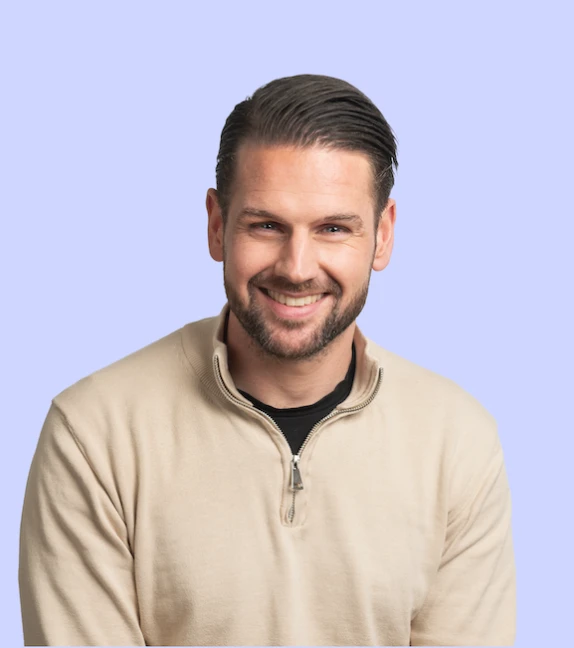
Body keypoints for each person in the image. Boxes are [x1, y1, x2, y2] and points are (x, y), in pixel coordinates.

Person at [18, 74, 516, 646]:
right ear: (216, 226)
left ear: (382, 236)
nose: (297, 267)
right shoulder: (94, 435)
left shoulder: (458, 442)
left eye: (333, 228)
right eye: (266, 226)